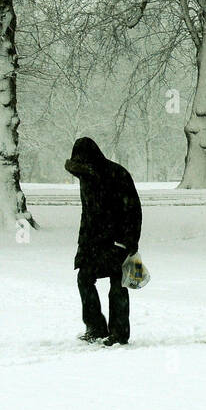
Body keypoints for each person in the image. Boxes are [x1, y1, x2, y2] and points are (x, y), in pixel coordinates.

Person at [64, 137, 142, 346]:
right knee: (85, 278)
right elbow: (87, 215)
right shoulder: (86, 176)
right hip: (94, 243)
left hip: (117, 242)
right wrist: (82, 247)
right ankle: (97, 328)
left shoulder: (117, 174)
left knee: (118, 284)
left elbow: (132, 210)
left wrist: (128, 242)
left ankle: (117, 333)